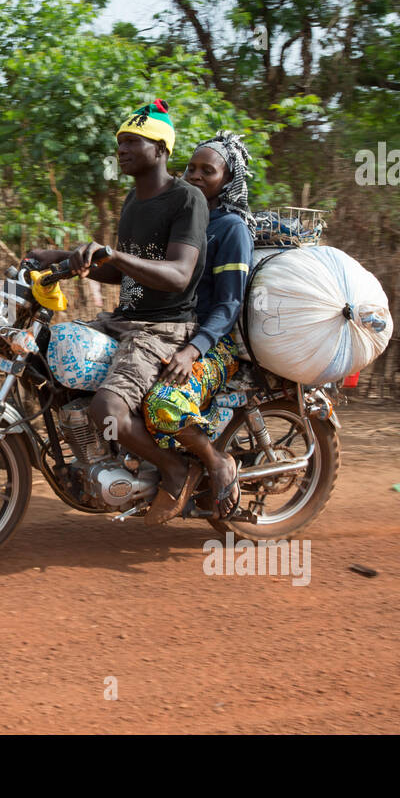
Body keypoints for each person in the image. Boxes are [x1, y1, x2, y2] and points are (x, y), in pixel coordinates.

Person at [26, 99, 207, 524]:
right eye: (119, 143)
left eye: (132, 142)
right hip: (123, 319)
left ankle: (176, 470)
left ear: (160, 150)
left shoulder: (187, 198)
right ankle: (93, 459)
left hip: (164, 328)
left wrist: (113, 256)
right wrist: (64, 260)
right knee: (45, 356)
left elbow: (179, 274)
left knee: (108, 409)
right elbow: (125, 274)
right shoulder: (133, 200)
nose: (121, 150)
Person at [142, 132, 257, 522]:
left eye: (208, 170)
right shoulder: (181, 219)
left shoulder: (231, 229)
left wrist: (194, 349)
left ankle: (215, 462)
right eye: (191, 167)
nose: (195, 175)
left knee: (163, 403)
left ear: (228, 179)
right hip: (167, 329)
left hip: (214, 343)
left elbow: (228, 304)